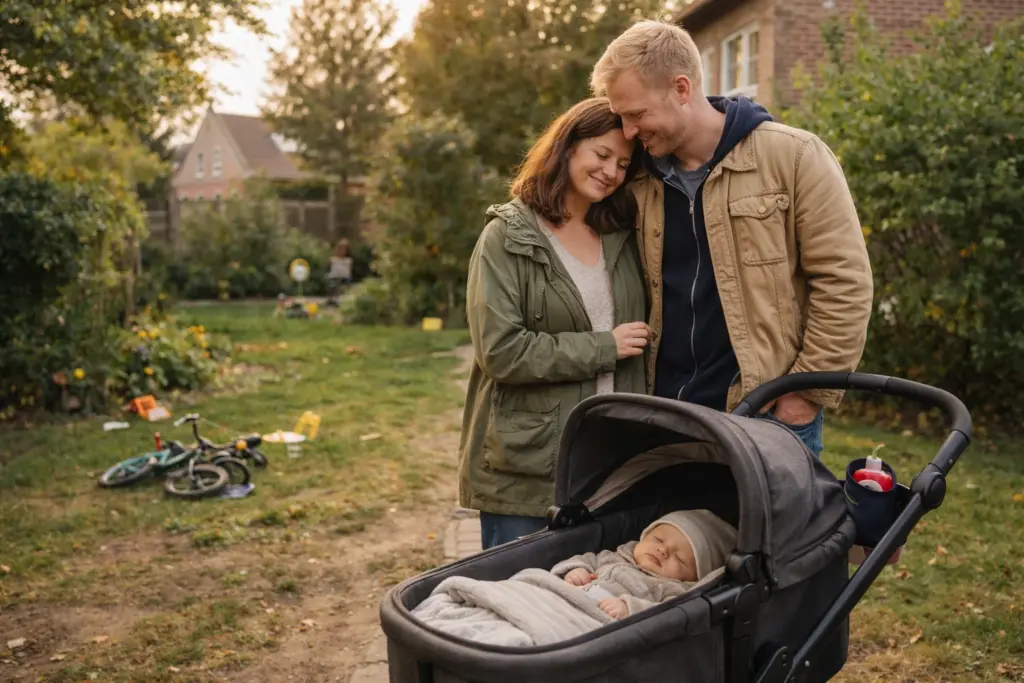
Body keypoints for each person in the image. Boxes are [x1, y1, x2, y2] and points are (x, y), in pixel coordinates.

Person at [590, 20, 873, 457]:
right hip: (661, 416)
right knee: (669, 529)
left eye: (637, 114)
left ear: (681, 88)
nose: (628, 132)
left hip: (767, 419)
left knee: (762, 530)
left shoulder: (794, 157)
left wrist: (803, 397)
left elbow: (845, 282)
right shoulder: (638, 177)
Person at [460, 97, 652, 550]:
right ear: (567, 147)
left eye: (623, 164)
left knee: (591, 604)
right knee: (518, 601)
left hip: (611, 457)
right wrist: (605, 346)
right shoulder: (507, 236)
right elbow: (501, 351)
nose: (611, 172)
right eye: (601, 155)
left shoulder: (621, 236)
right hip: (531, 463)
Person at [552, 509, 736, 619]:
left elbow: (665, 616)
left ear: (695, 578)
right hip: (562, 598)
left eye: (680, 558)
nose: (663, 551)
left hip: (592, 619)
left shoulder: (672, 590)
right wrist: (576, 570)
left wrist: (629, 608)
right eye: (658, 539)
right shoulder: (616, 555)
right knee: (531, 577)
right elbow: (585, 560)